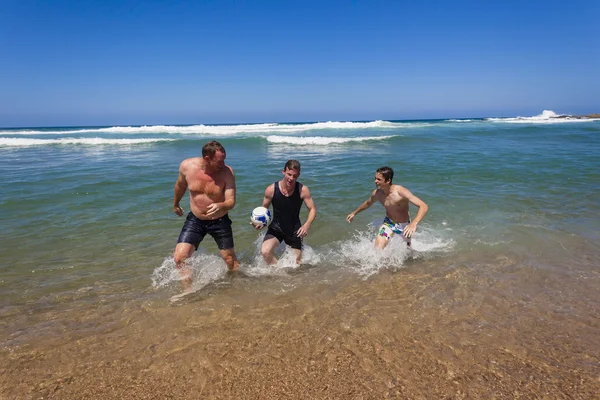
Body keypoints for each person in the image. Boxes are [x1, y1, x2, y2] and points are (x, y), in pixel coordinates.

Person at [172, 140, 239, 294]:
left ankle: (236, 288)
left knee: (229, 259)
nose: (223, 163)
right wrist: (175, 204)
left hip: (220, 220)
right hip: (195, 220)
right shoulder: (187, 167)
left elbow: (231, 201)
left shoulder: (227, 172)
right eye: (220, 161)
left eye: (224, 159)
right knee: (179, 258)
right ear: (207, 159)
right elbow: (180, 186)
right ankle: (188, 291)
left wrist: (221, 205)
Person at [346, 166, 428, 249]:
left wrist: (413, 224)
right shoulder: (377, 193)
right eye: (375, 178)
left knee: (407, 251)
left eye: (379, 179)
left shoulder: (401, 192)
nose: (375, 181)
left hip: (404, 226)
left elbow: (423, 206)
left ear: (388, 180)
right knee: (378, 247)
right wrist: (354, 213)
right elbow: (368, 203)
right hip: (389, 222)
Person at [253, 160, 317, 264]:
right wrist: (259, 223)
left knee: (296, 263)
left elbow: (312, 209)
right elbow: (263, 210)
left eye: (294, 176)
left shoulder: (302, 190)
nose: (291, 178)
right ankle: (279, 273)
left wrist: (306, 225)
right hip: (276, 227)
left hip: (294, 230)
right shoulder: (271, 189)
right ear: (283, 172)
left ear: (298, 175)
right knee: (265, 252)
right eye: (289, 174)